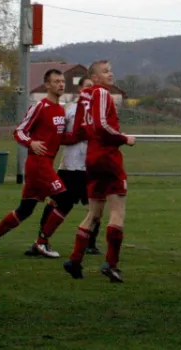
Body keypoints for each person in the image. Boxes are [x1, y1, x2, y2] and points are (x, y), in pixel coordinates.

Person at [0, 69, 79, 258]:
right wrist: (31, 143)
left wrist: (83, 134)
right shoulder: (40, 107)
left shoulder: (60, 109)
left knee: (25, 210)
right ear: (47, 85)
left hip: (45, 165)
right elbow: (19, 131)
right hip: (38, 165)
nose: (61, 84)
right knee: (66, 200)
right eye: (56, 81)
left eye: (62, 81)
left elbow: (59, 138)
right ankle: (42, 242)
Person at [63, 60, 136, 283]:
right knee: (118, 211)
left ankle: (75, 260)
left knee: (94, 213)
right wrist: (124, 138)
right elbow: (100, 125)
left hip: (92, 158)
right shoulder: (101, 93)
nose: (110, 74)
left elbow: (80, 131)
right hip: (108, 156)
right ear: (95, 78)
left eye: (110, 70)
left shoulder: (84, 98)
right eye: (105, 71)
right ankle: (111, 264)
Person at [25, 76, 104, 257]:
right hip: (69, 166)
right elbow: (58, 136)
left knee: (96, 206)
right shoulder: (69, 111)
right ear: (79, 91)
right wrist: (76, 136)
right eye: (87, 88)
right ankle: (41, 241)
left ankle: (90, 243)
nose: (91, 92)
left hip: (91, 167)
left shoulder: (99, 112)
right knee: (57, 203)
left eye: (94, 88)